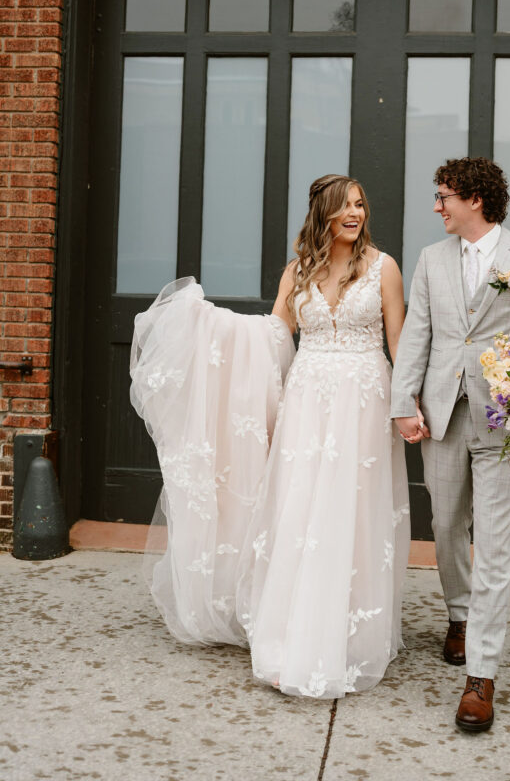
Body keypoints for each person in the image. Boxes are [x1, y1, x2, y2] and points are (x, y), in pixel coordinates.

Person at [130, 174, 410, 699]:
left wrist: (407, 406)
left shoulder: (384, 268)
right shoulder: (298, 271)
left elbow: (402, 343)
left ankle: (348, 639)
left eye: (361, 204)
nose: (356, 213)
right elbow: (274, 335)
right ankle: (290, 636)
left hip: (363, 403)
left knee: (349, 512)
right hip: (306, 404)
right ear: (323, 212)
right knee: (301, 514)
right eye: (346, 205)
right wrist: (211, 326)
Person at [391, 157, 510, 732]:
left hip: (504, 420)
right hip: (442, 412)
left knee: (492, 538)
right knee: (444, 524)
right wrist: (402, 402)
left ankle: (481, 676)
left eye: (443, 197)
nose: (436, 206)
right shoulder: (431, 259)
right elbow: (419, 332)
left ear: (474, 200)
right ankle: (460, 615)